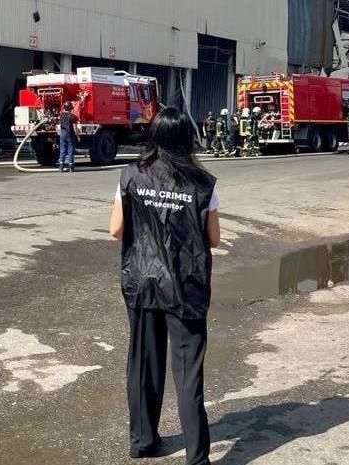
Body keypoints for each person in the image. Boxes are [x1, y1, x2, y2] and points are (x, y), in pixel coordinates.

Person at [110, 107, 220, 465]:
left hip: (143, 280)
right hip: (186, 285)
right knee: (188, 373)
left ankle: (143, 442)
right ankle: (197, 458)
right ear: (187, 138)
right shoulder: (203, 183)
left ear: (154, 136)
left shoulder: (130, 175)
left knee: (144, 362)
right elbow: (214, 238)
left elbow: (115, 229)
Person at [59, 101, 79, 172]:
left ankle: (61, 167)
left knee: (62, 151)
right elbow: (75, 128)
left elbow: (60, 125)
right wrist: (78, 136)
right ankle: (71, 167)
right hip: (70, 134)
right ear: (71, 108)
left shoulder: (61, 115)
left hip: (63, 134)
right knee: (71, 151)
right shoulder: (73, 116)